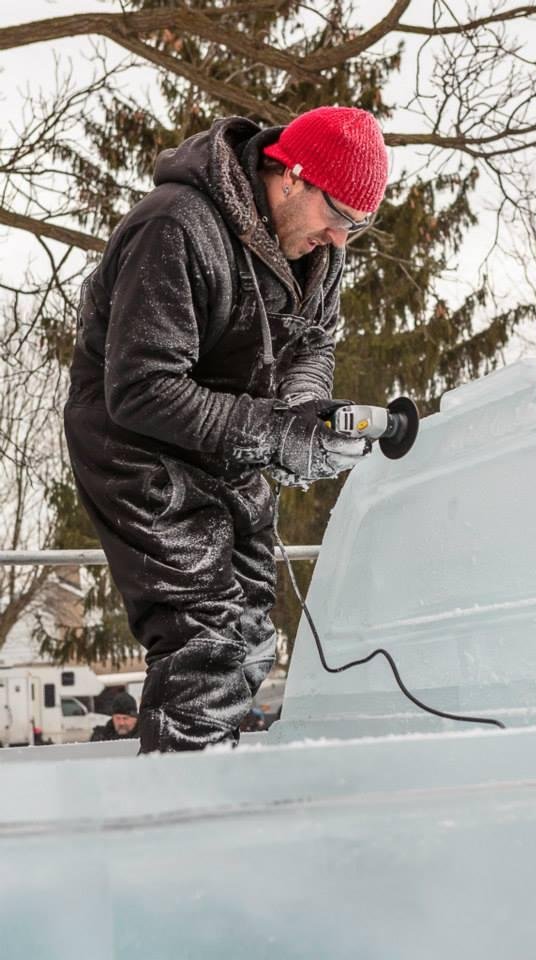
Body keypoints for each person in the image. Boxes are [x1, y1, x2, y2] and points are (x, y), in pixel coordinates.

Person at [65, 105, 389, 753]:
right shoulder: (175, 227)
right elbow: (142, 388)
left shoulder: (314, 251)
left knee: (248, 638)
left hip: (228, 447)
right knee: (206, 637)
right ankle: (178, 818)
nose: (340, 240)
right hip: (138, 452)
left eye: (358, 226)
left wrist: (303, 416)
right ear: (292, 176)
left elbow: (312, 344)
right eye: (338, 218)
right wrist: (276, 434)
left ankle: (210, 782)